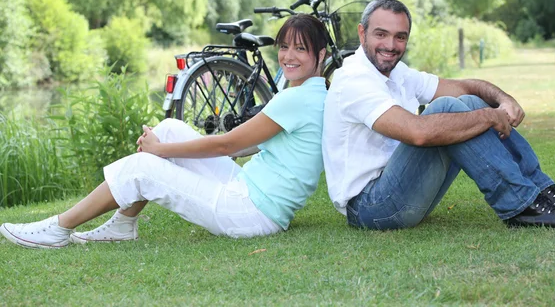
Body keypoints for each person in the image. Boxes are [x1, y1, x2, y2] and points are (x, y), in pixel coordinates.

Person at [0, 14, 329, 249]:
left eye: (300, 49)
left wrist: (160, 152)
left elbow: (226, 143)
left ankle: (58, 228)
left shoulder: (297, 99)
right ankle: (123, 224)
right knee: (170, 127)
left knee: (143, 167)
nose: (288, 56)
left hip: (250, 211)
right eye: (285, 47)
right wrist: (165, 145)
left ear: (321, 55)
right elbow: (245, 147)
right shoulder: (312, 94)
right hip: (249, 192)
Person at [323, 0, 555, 230]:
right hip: (371, 207)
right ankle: (520, 205)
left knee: (469, 101)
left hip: (403, 190)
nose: (391, 45)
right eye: (380, 34)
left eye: (400, 37)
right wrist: (490, 116)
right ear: (362, 34)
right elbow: (418, 133)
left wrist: (502, 99)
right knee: (448, 110)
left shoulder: (396, 72)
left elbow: (462, 87)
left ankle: (543, 193)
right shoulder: (353, 80)